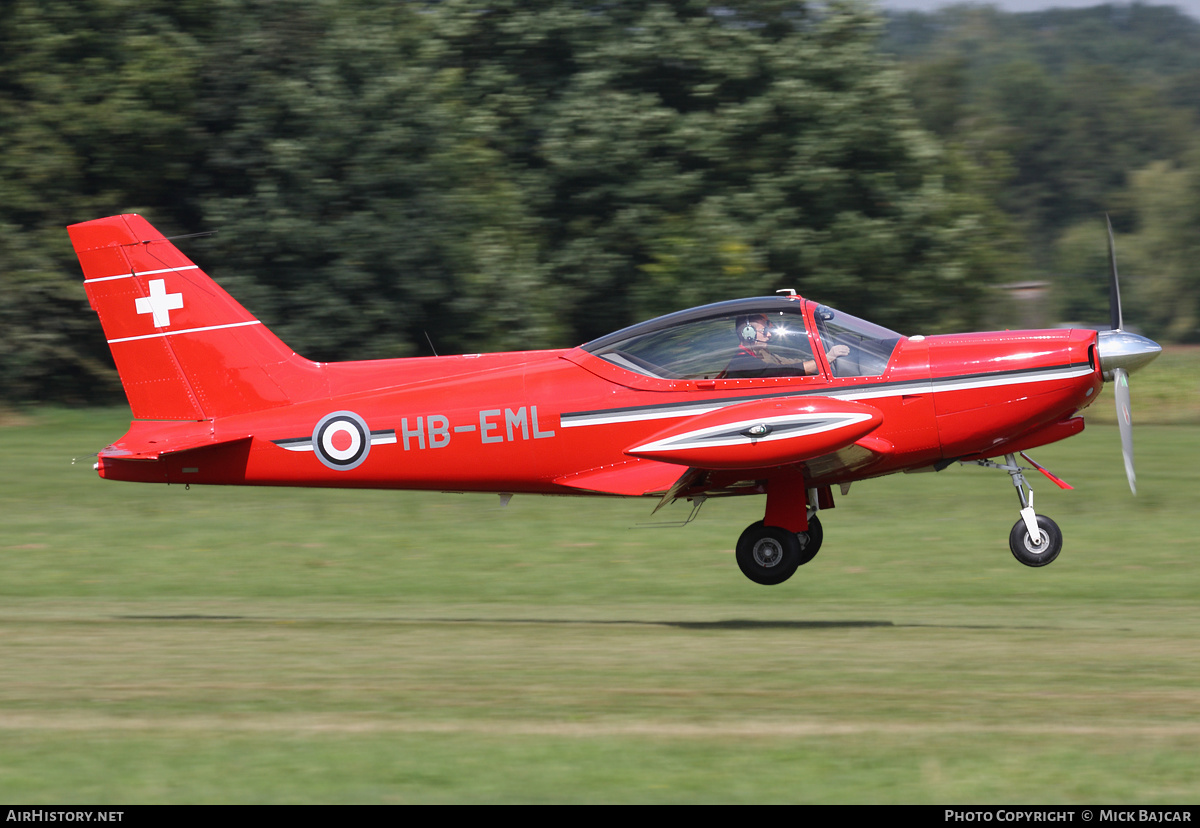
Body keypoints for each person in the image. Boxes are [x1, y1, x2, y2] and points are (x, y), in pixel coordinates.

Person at [722, 313, 849, 378]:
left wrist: (818, 361)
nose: (769, 335)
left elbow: (788, 362)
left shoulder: (762, 354)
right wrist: (826, 359)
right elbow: (783, 372)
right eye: (764, 331)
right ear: (748, 334)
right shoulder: (743, 362)